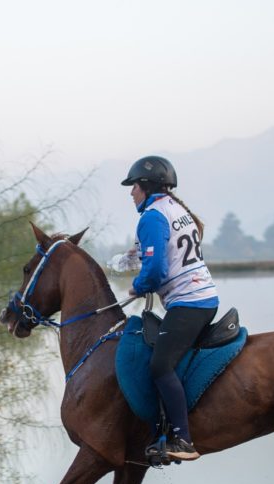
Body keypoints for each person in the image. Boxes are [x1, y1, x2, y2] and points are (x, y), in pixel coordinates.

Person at [122, 155, 218, 461]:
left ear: (146, 186)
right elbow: (158, 254)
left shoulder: (151, 216)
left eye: (133, 186)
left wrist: (137, 286)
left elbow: (157, 271)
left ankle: (182, 439)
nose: (131, 193)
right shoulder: (176, 209)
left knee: (159, 366)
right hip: (203, 299)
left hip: (189, 303)